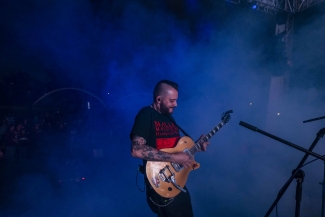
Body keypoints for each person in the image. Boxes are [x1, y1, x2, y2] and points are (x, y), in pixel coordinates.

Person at [130, 80, 209, 217]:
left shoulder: (169, 119)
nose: (176, 104)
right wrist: (175, 158)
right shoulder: (146, 114)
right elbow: (136, 150)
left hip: (177, 182)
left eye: (176, 100)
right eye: (172, 101)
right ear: (159, 99)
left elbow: (175, 149)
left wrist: (196, 147)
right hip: (160, 182)